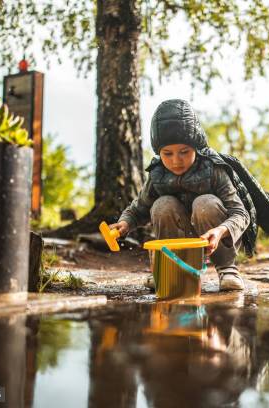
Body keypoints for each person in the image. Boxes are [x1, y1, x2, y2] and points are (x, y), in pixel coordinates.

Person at [110, 99, 256, 291]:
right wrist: (125, 223)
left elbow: (241, 214)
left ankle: (227, 269)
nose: (176, 160)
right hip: (181, 234)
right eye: (167, 154)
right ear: (158, 153)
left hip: (213, 234)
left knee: (205, 203)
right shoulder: (157, 174)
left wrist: (221, 230)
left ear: (196, 147)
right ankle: (172, 268)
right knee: (162, 204)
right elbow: (139, 209)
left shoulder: (213, 169)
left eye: (184, 152)